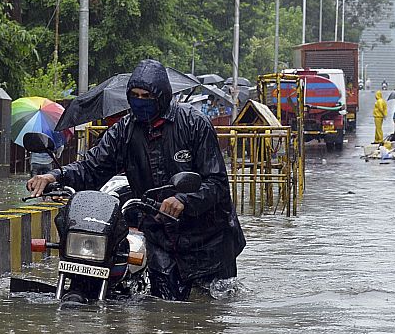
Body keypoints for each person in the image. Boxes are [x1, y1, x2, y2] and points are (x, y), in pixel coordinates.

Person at [26, 59, 245, 301]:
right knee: (163, 309)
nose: (140, 101)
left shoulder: (194, 124)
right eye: (135, 95)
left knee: (210, 314)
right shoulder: (124, 130)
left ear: (161, 96)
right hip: (160, 235)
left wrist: (184, 199)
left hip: (207, 239)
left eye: (146, 96)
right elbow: (91, 167)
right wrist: (54, 175)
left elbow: (216, 182)